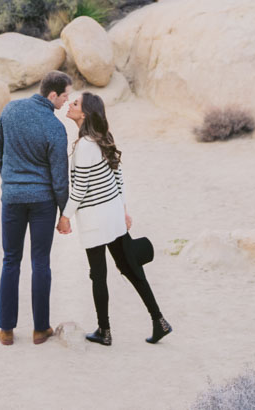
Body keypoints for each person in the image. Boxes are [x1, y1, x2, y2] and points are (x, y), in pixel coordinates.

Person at [57, 91, 172, 346]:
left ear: (84, 113)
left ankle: (104, 331)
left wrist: (65, 216)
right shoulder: (102, 138)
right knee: (131, 268)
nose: (70, 104)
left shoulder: (85, 145)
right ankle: (159, 320)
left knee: (98, 275)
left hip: (96, 220)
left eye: (75, 103)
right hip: (112, 216)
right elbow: (118, 176)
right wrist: (123, 209)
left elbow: (80, 188)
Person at [0, 69, 72, 346]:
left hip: (12, 198)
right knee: (40, 262)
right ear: (52, 95)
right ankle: (40, 330)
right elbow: (60, 177)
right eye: (64, 96)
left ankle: (6, 330)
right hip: (42, 202)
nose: (66, 101)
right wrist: (65, 211)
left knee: (10, 260)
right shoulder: (55, 127)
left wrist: (11, 180)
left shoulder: (10, 110)